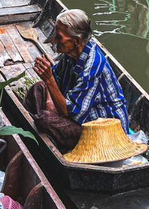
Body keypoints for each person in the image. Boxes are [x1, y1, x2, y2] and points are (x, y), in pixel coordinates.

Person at [27, 9, 129, 151]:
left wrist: (49, 79)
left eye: (59, 37)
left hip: (103, 133)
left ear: (76, 41)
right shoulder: (71, 55)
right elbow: (55, 77)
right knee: (38, 88)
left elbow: (71, 111)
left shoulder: (93, 66)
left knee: (45, 119)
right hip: (77, 116)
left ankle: (49, 136)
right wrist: (50, 100)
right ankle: (48, 135)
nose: (54, 40)